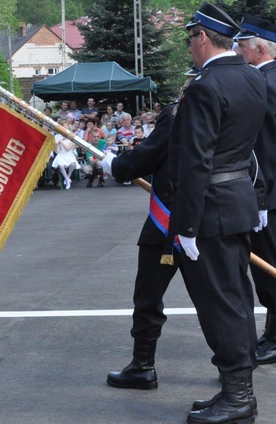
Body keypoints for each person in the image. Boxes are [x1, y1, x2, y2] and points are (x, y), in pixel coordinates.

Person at [171, 2, 267, 423]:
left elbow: (195, 161)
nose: (190, 47)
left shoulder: (206, 86)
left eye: (190, 38)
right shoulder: (250, 76)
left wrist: (187, 224)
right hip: (238, 202)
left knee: (219, 303)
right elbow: (256, 148)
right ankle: (235, 390)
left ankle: (238, 396)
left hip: (211, 210)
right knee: (237, 298)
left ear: (203, 38)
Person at [104, 98, 180, 391]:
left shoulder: (181, 111)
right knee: (218, 300)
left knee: (148, 296)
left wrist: (116, 165)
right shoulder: (238, 99)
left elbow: (149, 155)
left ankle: (142, 366)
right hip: (213, 216)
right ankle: (235, 372)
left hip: (171, 219)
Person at [234, 14, 276, 366]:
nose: (238, 51)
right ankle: (274, 333)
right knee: (264, 265)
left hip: (266, 182)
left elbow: (265, 144)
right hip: (263, 181)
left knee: (271, 264)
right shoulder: (265, 78)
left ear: (259, 48)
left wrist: (259, 195)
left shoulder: (270, 81)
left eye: (242, 46)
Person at [51, 120, 79, 190]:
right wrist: (56, 144)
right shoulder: (57, 136)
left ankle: (68, 177)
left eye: (66, 126)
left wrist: (61, 141)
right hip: (61, 154)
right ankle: (67, 179)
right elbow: (57, 151)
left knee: (73, 164)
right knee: (61, 165)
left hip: (69, 154)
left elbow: (68, 149)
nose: (65, 128)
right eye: (63, 127)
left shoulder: (72, 136)